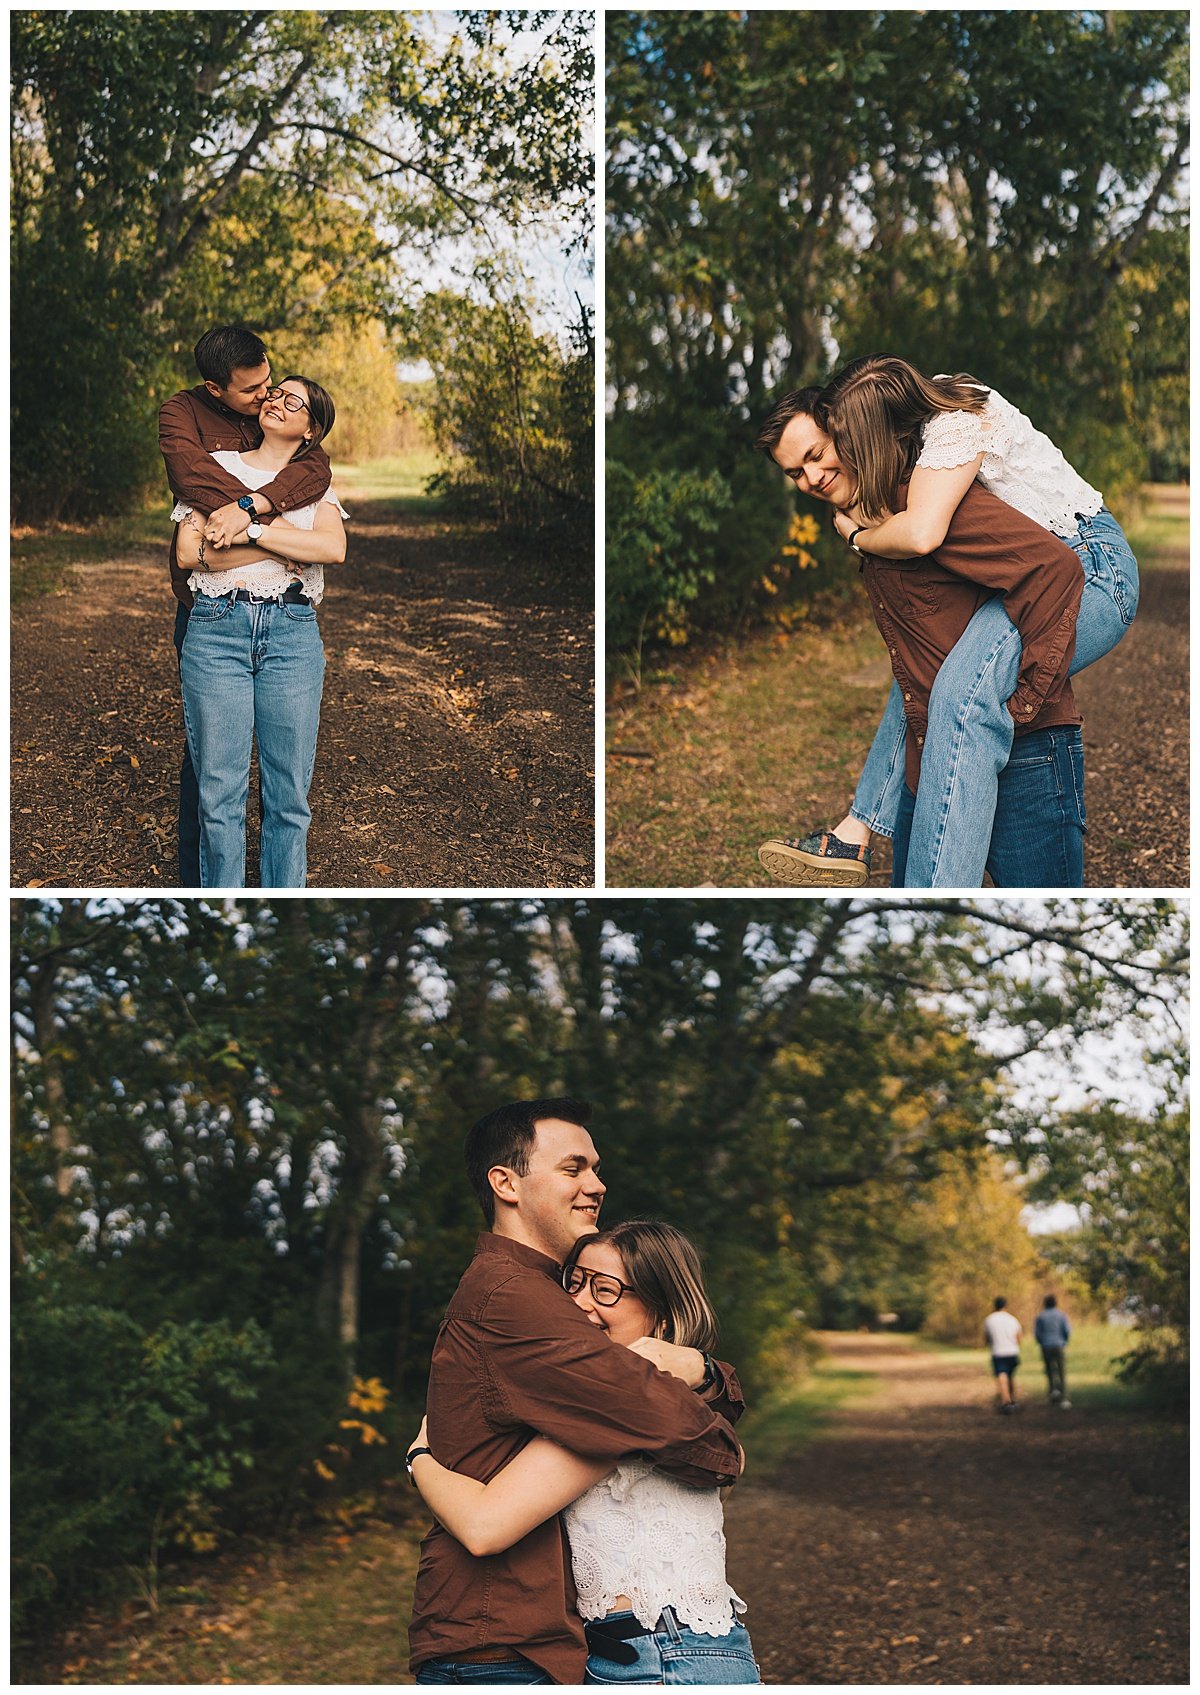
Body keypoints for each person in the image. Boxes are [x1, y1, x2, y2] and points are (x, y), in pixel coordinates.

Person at [755, 356, 1139, 887]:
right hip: (1035, 569)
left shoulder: (951, 427)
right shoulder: (901, 468)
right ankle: (856, 830)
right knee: (933, 682)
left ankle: (929, 890)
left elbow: (924, 534)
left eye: (820, 455)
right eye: (795, 473)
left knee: (963, 694)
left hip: (1095, 566)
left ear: (862, 430)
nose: (812, 479)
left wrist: (855, 536)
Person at [407, 1099, 745, 1685]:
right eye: (574, 1168)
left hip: (528, 1637)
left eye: (595, 1168)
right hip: (499, 1640)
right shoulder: (518, 1299)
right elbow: (692, 1437)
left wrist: (705, 1372)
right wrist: (714, 1398)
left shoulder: (531, 1294)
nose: (597, 1184)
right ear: (505, 1183)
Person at [158, 325, 333, 885]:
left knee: (286, 795)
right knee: (212, 779)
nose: (269, 397)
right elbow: (190, 529)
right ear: (216, 389)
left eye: (277, 388)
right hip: (212, 618)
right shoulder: (185, 418)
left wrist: (250, 515)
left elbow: (327, 528)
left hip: (289, 628)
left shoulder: (304, 462)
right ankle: (202, 892)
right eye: (259, 391)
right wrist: (274, 537)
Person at [983, 1297, 1023, 1413]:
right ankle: (1012, 1399)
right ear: (1005, 1306)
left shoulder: (989, 1319)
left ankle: (1005, 1401)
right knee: (1010, 1375)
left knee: (1001, 1375)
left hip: (998, 1351)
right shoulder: (1012, 1319)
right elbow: (1019, 1337)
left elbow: (987, 1338)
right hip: (1012, 1351)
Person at [1034, 1293, 1072, 1408]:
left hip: (1046, 1346)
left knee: (1049, 1370)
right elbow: (1067, 1330)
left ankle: (1053, 1393)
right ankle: (1064, 1398)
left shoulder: (1040, 1316)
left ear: (1045, 1304)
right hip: (1059, 1345)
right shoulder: (1061, 1315)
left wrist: (1042, 1342)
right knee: (1061, 1371)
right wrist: (1064, 1341)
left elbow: (1037, 1333)